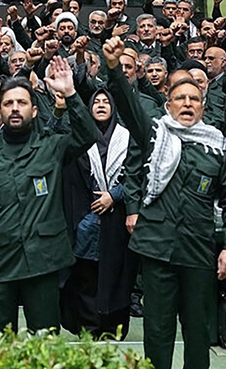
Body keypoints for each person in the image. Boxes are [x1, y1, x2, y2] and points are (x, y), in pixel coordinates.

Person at [104, 37, 226, 369]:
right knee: (158, 331)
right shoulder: (152, 134)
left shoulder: (217, 147)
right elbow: (127, 104)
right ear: (168, 104)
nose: (187, 103)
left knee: (198, 331)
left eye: (194, 98)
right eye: (179, 97)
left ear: (202, 106)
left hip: (197, 251)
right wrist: (113, 68)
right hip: (156, 249)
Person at [0, 57, 99, 332]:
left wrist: (70, 93)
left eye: (22, 103)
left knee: (45, 339)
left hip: (42, 260)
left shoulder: (52, 147)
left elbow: (87, 135)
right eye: (8, 103)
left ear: (34, 110)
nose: (15, 108)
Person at [60, 88, 137, 339]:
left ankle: (113, 328)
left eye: (106, 101)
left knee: (117, 275)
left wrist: (113, 195)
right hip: (86, 216)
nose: (101, 105)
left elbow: (138, 176)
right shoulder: (79, 138)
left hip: (119, 216)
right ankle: (88, 328)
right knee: (86, 275)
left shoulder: (128, 138)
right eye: (96, 102)